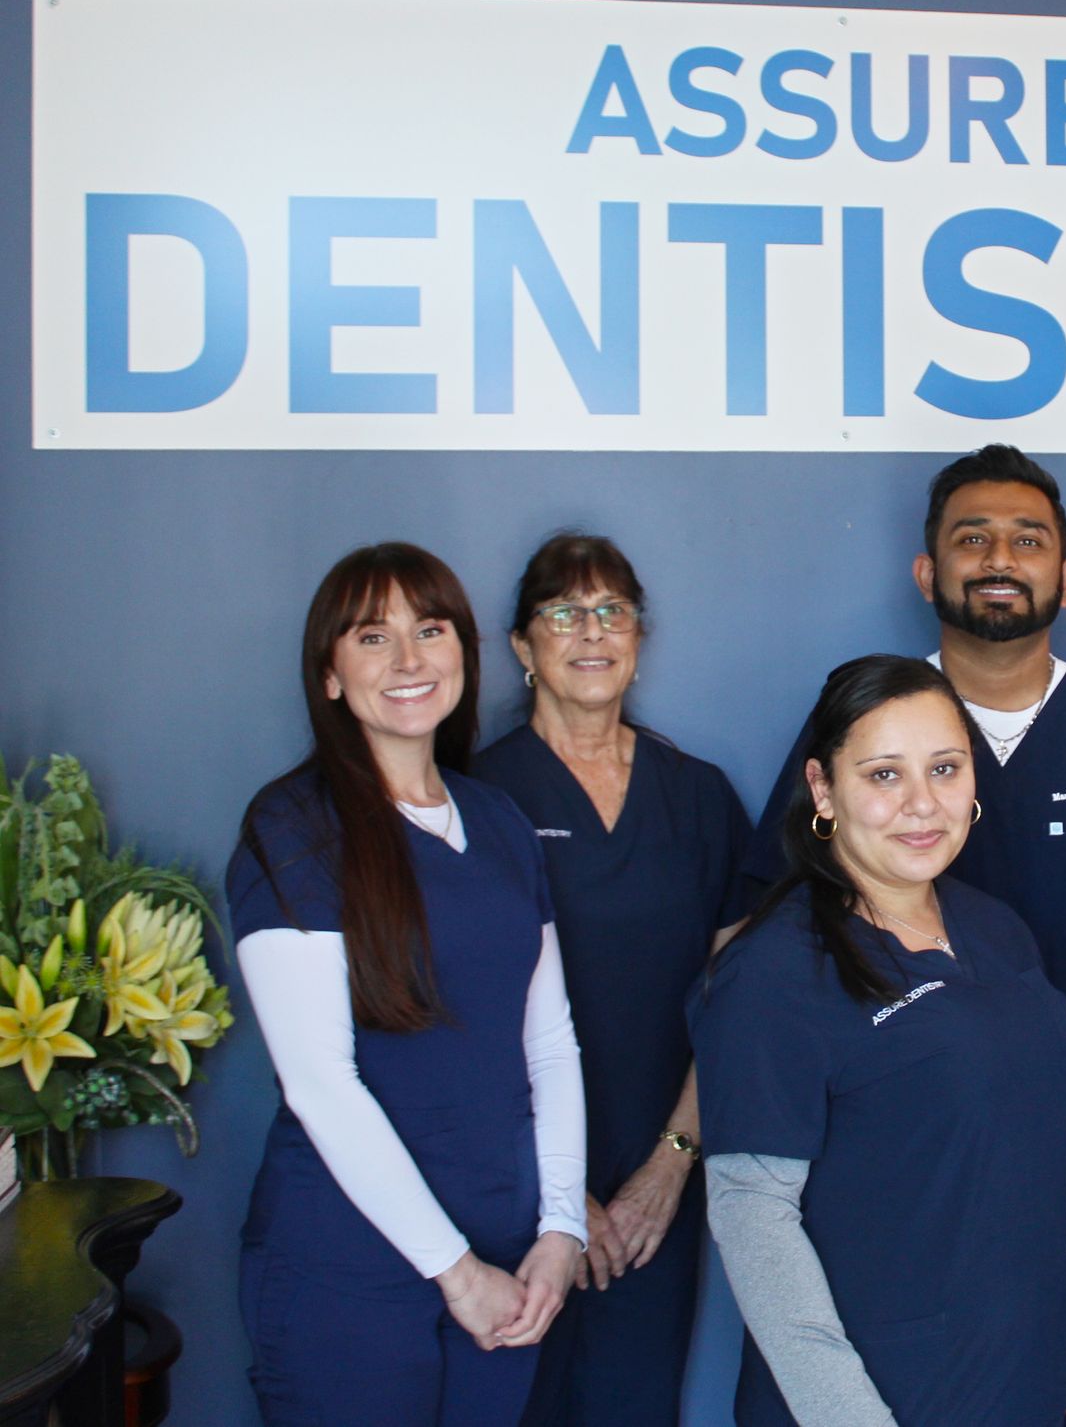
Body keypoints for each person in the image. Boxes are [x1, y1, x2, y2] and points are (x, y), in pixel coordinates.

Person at [735, 446, 1066, 1425]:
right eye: (972, 536)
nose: (999, 556)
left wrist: (1051, 1155)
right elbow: (764, 971)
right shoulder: (856, 723)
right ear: (927, 572)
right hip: (874, 1201)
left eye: (1027, 538)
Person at [693, 654, 1066, 1426]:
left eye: (945, 768)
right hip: (878, 1395)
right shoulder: (776, 970)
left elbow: (1042, 1136)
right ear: (824, 788)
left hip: (1022, 1370)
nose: (923, 804)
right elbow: (754, 1215)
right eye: (884, 774)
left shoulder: (999, 930)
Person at [228, 542, 587, 1427]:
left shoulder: (498, 819)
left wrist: (561, 1229)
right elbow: (321, 1085)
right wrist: (454, 1271)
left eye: (429, 629)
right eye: (372, 637)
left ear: (465, 649)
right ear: (330, 677)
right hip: (347, 1267)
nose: (409, 659)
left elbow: (548, 1041)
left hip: (509, 1261)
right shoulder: (293, 828)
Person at [471, 533, 749, 1426]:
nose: (590, 631)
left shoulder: (700, 795)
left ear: (638, 634)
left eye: (611, 610)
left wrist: (670, 1164)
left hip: (655, 1190)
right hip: (506, 1187)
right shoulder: (473, 795)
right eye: (562, 612)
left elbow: (736, 998)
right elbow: (457, 1017)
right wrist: (559, 1193)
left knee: (635, 1403)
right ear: (522, 647)